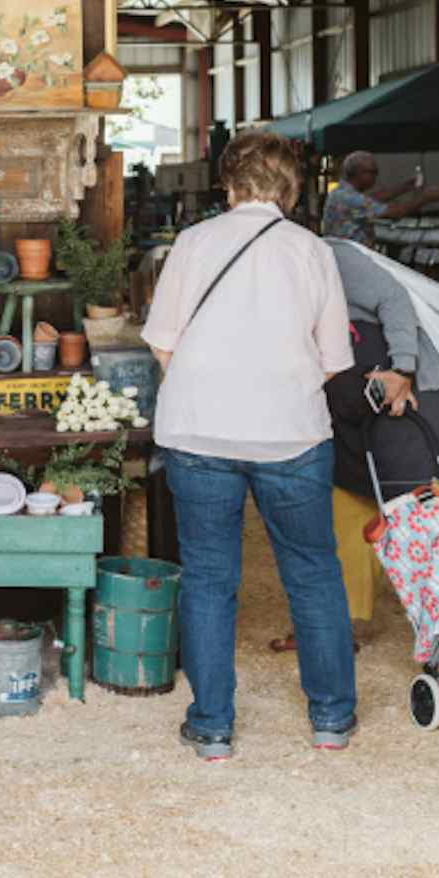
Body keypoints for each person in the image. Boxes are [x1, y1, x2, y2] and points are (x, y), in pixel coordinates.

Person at [143, 130, 358, 761]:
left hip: (199, 432)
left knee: (209, 579)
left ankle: (212, 726)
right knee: (313, 575)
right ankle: (330, 720)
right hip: (291, 434)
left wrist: (210, 389)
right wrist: (278, 389)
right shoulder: (313, 251)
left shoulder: (192, 242)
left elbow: (161, 341)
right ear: (291, 190)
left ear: (229, 186)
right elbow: (333, 359)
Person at [268, 239, 439, 652]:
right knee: (346, 502)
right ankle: (334, 625)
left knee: (438, 503)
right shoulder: (261, 277)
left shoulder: (328, 253)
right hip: (352, 403)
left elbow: (393, 298)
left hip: (407, 390)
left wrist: (403, 367)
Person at [320, 150, 439, 246]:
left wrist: (405, 187)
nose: (375, 177)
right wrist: (426, 197)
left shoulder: (341, 192)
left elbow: (373, 198)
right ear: (359, 173)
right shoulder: (350, 198)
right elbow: (395, 213)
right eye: (373, 172)